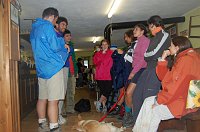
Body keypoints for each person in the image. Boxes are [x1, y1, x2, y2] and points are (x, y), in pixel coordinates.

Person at [132, 36, 200, 132]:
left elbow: (176, 87)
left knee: (155, 111)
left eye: (171, 46)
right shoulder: (185, 58)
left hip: (184, 101)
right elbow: (164, 78)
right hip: (182, 97)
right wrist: (163, 59)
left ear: (177, 48)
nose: (169, 48)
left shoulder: (186, 60)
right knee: (148, 101)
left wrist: (159, 100)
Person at [30, 7, 69, 131]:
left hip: (41, 70)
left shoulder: (34, 29)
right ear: (54, 17)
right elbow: (54, 46)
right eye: (55, 21)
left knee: (42, 98)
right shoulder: (47, 26)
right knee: (53, 100)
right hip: (52, 68)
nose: (54, 23)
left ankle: (42, 124)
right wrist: (63, 43)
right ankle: (54, 127)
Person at [131, 15, 171, 125]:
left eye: (150, 26)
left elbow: (152, 54)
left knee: (148, 98)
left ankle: (147, 126)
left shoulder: (164, 34)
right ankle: (138, 124)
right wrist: (148, 55)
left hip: (156, 69)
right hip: (148, 69)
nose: (149, 28)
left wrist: (147, 55)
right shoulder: (154, 38)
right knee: (137, 96)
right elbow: (148, 54)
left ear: (154, 24)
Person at [123, 24, 150, 127]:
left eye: (136, 29)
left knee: (129, 92)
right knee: (132, 95)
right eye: (134, 29)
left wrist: (133, 72)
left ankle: (129, 116)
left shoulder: (145, 41)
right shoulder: (138, 42)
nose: (134, 31)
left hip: (141, 70)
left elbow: (143, 59)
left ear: (142, 31)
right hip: (136, 69)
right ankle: (131, 117)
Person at [109, 29, 136, 116]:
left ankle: (129, 113)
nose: (125, 39)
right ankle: (121, 110)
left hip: (132, 73)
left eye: (126, 37)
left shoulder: (136, 46)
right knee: (123, 91)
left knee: (129, 93)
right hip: (125, 73)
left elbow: (134, 61)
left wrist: (123, 53)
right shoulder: (129, 48)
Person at [54, 16, 69, 125]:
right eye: (63, 24)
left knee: (62, 92)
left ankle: (57, 115)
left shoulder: (60, 37)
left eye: (66, 25)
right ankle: (56, 116)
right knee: (57, 93)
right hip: (57, 67)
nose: (64, 26)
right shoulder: (54, 36)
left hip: (64, 67)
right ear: (57, 24)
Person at [93, 39, 113, 113]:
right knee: (103, 91)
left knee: (107, 91)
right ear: (101, 46)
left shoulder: (111, 53)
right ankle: (104, 106)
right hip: (100, 75)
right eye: (103, 44)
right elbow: (95, 62)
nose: (104, 46)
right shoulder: (98, 54)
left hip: (109, 75)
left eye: (106, 44)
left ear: (108, 45)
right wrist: (101, 54)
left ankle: (99, 102)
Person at [62, 29, 78, 114]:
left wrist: (76, 71)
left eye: (70, 35)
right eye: (67, 36)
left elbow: (73, 59)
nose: (69, 37)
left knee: (71, 92)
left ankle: (70, 108)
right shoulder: (61, 45)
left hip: (71, 73)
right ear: (63, 37)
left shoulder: (71, 45)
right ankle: (61, 110)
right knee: (62, 92)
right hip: (63, 72)